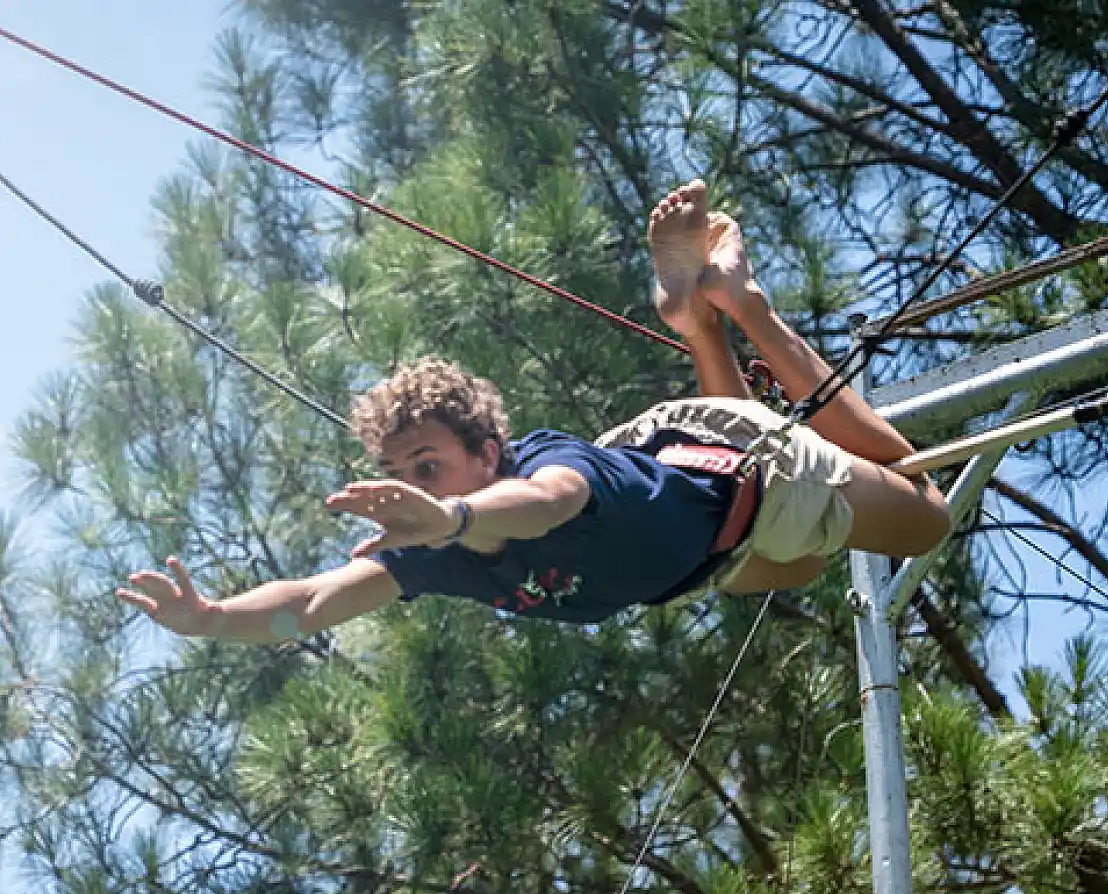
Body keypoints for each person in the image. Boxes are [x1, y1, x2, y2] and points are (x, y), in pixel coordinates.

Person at [115, 181, 950, 638]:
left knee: (927, 515)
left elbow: (548, 503)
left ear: (488, 451)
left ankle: (743, 304)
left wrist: (447, 514)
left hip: (732, 470)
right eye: (401, 473)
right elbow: (307, 600)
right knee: (786, 560)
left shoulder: (545, 466)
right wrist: (212, 616)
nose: (415, 484)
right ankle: (699, 323)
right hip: (698, 507)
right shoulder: (436, 556)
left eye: (430, 463)